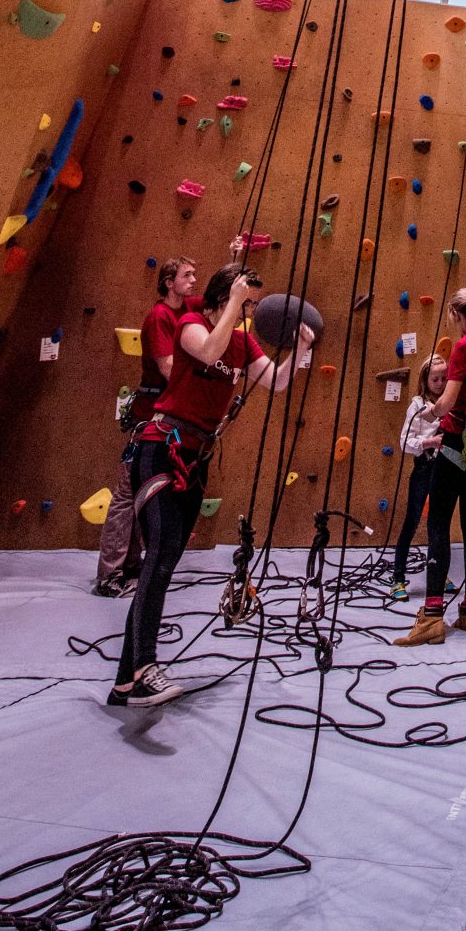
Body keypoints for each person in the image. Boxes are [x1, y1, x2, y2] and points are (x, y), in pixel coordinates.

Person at [108, 263, 314, 709]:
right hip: (161, 448)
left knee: (165, 562)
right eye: (247, 300)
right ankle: (144, 668)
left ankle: (126, 682)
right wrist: (236, 303)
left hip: (195, 457)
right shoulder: (189, 324)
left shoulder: (241, 342)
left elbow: (275, 382)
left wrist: (299, 352)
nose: (253, 311)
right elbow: (207, 352)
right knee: (159, 558)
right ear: (228, 295)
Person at [394, 288, 466, 646]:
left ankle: (431, 617)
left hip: (458, 438)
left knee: (440, 521)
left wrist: (425, 413)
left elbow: (446, 403)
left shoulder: (464, 347)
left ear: (458, 316)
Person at [94, 256, 201, 597]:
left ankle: (132, 563)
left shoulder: (183, 312)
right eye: (187, 275)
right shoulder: (159, 317)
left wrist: (234, 256)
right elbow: (168, 368)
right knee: (127, 494)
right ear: (169, 282)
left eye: (195, 274)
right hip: (149, 417)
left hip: (166, 417)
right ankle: (110, 574)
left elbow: (218, 299)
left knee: (146, 493)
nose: (193, 280)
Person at [389, 353, 447, 596]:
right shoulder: (417, 405)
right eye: (436, 379)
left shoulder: (449, 404)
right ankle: (398, 577)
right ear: (425, 380)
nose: (441, 383)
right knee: (411, 522)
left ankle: (438, 577)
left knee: (439, 525)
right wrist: (430, 441)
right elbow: (405, 441)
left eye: (445, 378)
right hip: (423, 469)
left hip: (443, 471)